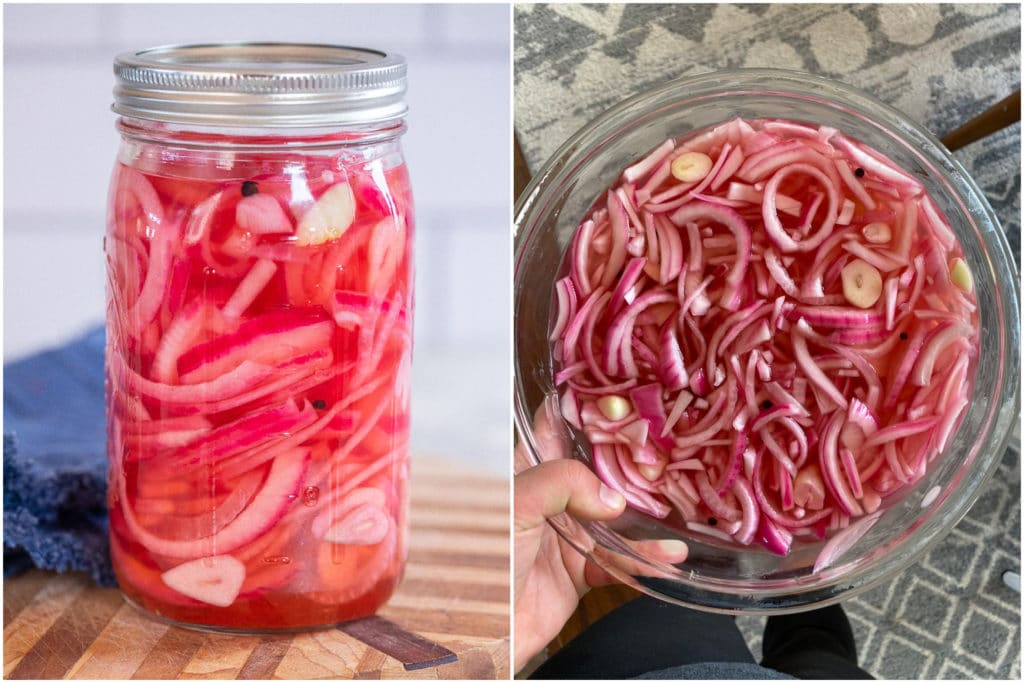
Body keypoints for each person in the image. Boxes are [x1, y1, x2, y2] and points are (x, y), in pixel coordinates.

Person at [514, 454, 874, 679]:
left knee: (690, 581)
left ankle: (757, 556)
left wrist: (503, 630)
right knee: (817, 645)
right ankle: (801, 571)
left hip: (638, 662)